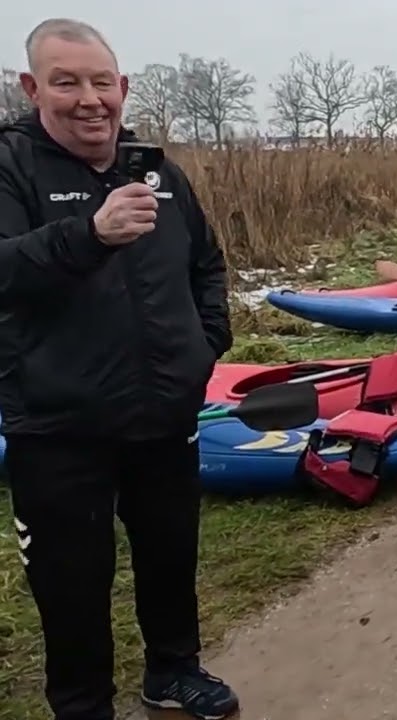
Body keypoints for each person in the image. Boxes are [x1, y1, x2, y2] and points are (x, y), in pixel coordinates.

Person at [0, 18, 237, 719]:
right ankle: (82, 706)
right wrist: (88, 234)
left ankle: (173, 670)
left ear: (124, 88)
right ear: (31, 87)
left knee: (169, 555)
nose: (88, 99)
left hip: (164, 412)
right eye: (66, 82)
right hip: (58, 421)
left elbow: (206, 266)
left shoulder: (161, 174)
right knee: (72, 580)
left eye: (102, 82)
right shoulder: (12, 167)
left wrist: (206, 346)